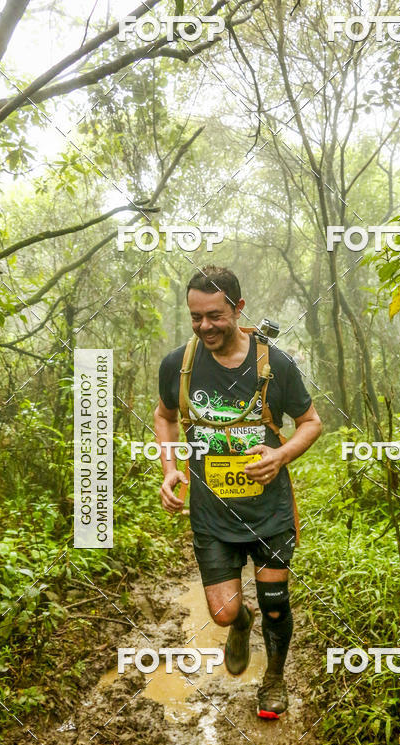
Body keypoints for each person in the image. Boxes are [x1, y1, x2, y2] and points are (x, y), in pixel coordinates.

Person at [154, 265, 322, 718]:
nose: (205, 326)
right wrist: (171, 469)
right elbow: (165, 416)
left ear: (237, 308)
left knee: (274, 604)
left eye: (215, 315)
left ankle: (273, 681)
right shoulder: (179, 364)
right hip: (212, 513)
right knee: (225, 612)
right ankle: (238, 622)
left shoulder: (274, 363)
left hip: (269, 509)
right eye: (195, 317)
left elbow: (311, 423)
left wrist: (281, 455)